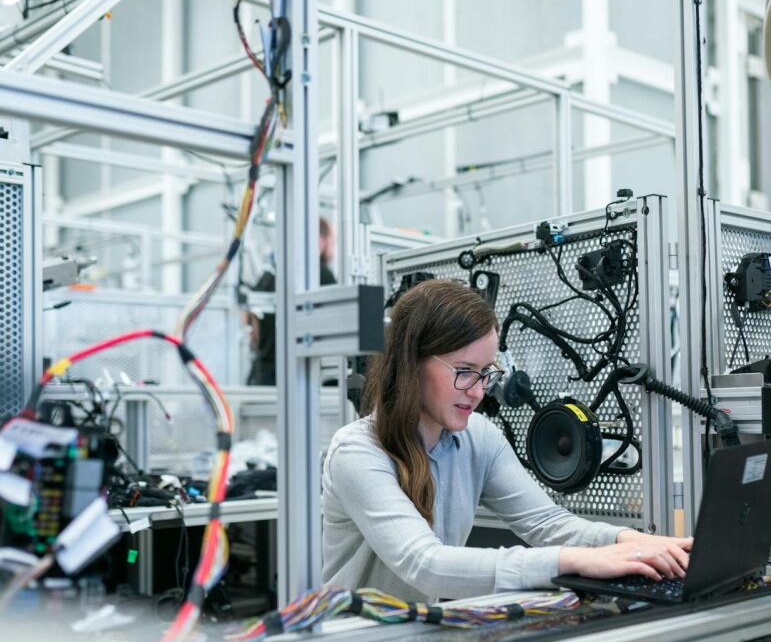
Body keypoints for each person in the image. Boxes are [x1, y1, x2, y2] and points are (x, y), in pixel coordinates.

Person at [322, 279, 692, 603]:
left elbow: (547, 523)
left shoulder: (478, 438)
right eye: (465, 372)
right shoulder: (357, 452)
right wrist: (571, 561)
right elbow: (425, 564)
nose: (479, 392)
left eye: (486, 373)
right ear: (411, 363)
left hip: (415, 636)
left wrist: (631, 541)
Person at [247, 218, 337, 385]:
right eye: (332, 241)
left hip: (263, 375)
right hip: (300, 375)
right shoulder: (322, 274)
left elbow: (250, 323)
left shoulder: (269, 276)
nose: (332, 248)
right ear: (319, 240)